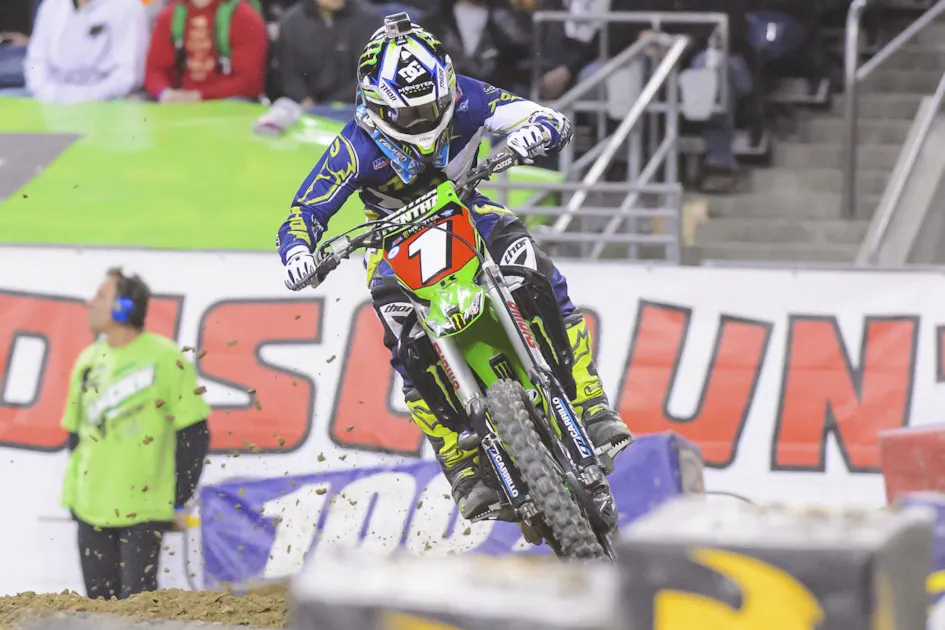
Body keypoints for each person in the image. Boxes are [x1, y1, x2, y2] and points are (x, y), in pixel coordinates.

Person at [277, 14, 633, 520]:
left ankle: (591, 405)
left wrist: (534, 133)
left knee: (534, 268)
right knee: (403, 339)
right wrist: (298, 254)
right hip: (392, 240)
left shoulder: (467, 96)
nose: (426, 120)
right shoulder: (353, 146)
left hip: (469, 209)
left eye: (432, 106)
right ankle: (461, 464)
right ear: (377, 107)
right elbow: (303, 213)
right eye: (411, 113)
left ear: (446, 87)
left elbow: (544, 117)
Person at [61, 268, 211, 599]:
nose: (90, 303)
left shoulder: (166, 358)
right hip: (90, 508)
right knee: (97, 609)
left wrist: (179, 497)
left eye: (101, 297)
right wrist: (74, 497)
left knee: (138, 607)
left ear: (124, 308)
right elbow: (75, 435)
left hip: (144, 508)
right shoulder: (87, 360)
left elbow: (194, 434)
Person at [22, 0, 149, 103]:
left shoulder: (128, 7)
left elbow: (128, 73)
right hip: (50, 98)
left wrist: (83, 97)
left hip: (105, 101)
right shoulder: (51, 5)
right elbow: (35, 59)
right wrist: (45, 92)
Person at [144, 0, 268, 103]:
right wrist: (164, 92)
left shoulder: (243, 16)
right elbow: (154, 71)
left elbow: (250, 82)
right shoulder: (171, 15)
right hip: (180, 106)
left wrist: (199, 96)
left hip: (227, 106)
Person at [276, 0, 379, 110]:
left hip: (353, 106)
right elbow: (289, 72)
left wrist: (331, 105)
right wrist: (303, 99)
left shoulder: (368, 19)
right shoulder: (291, 22)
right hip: (304, 107)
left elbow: (369, 74)